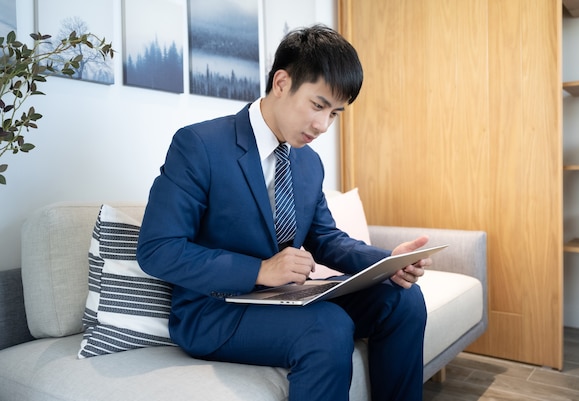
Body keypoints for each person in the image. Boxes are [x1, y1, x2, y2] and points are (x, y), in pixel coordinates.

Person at [137, 24, 431, 401]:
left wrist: (388, 261)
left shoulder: (308, 164)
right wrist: (259, 270)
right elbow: (157, 249)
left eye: (335, 113)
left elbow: (325, 239)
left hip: (286, 300)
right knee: (326, 326)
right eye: (318, 105)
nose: (323, 125)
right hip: (215, 310)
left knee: (403, 300)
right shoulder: (199, 145)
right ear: (281, 82)